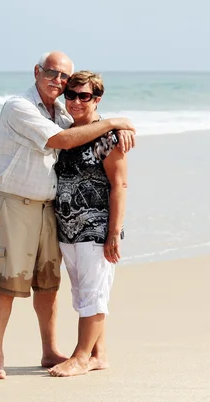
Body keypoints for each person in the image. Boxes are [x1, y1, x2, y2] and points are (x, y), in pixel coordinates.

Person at [0, 51, 136, 380]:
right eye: (54, 75)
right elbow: (60, 140)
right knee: (8, 284)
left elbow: (116, 175)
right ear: (37, 71)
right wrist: (114, 122)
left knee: (54, 286)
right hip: (21, 207)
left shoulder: (69, 116)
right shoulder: (21, 107)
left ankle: (69, 353)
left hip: (68, 218)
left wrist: (115, 128)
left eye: (67, 80)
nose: (62, 85)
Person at [48, 71, 127, 377]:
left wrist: (114, 234)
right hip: (68, 230)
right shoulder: (67, 133)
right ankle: (99, 354)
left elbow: (120, 185)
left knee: (93, 294)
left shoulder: (107, 137)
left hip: (95, 230)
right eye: (71, 95)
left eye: (84, 96)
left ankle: (81, 357)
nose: (76, 101)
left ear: (97, 99)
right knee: (84, 293)